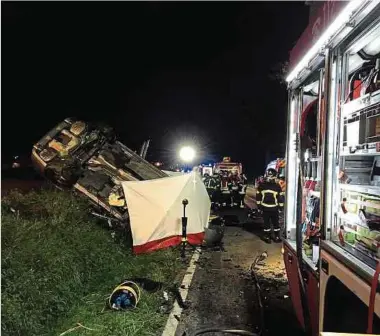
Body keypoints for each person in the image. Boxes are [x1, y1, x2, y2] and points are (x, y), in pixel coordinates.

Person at [256, 168, 284, 243]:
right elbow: (280, 198)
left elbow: (258, 197)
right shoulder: (277, 186)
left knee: (266, 223)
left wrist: (259, 208)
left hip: (265, 209)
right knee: (276, 223)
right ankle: (277, 237)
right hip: (274, 209)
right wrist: (281, 208)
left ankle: (267, 236)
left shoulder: (261, 185)